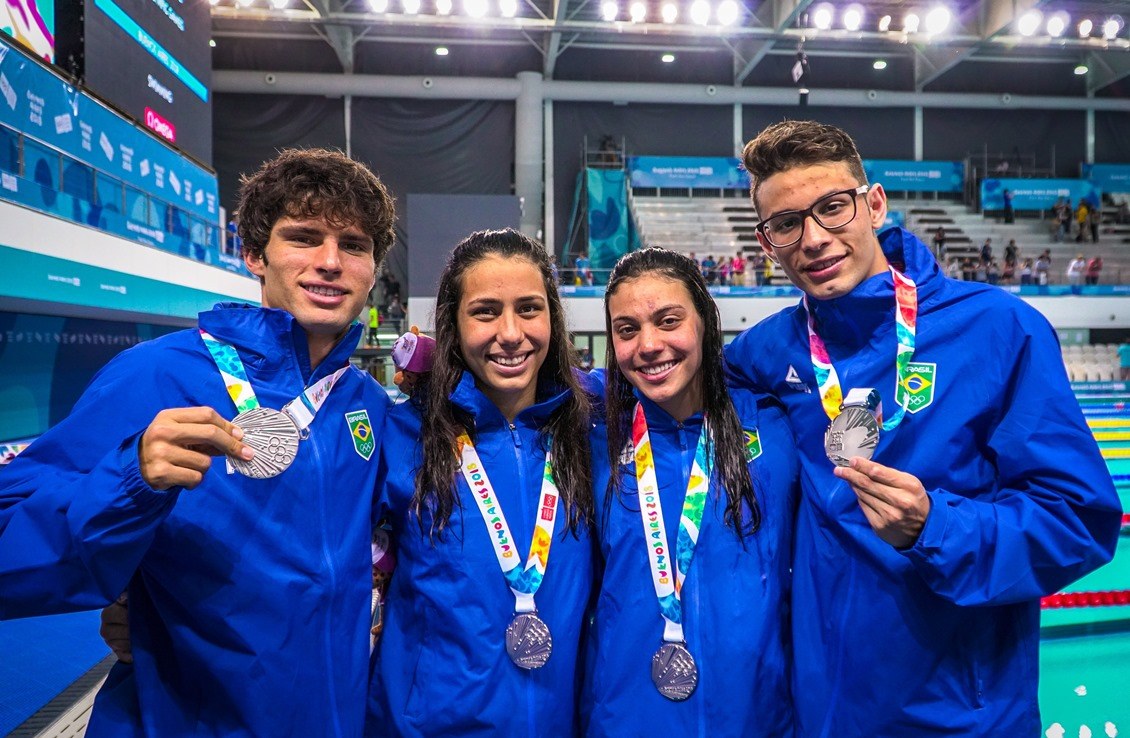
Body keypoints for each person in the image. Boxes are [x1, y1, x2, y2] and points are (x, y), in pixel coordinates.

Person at [725, 120, 1121, 736]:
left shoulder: (998, 330)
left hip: (964, 718)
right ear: (766, 240)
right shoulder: (766, 353)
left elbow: (1079, 520)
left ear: (873, 203)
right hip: (827, 715)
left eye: (832, 208)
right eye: (786, 224)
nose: (814, 238)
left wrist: (938, 528)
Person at [0, 148, 398, 736]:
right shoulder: (156, 376)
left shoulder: (367, 404)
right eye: (304, 238)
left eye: (354, 246)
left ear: (373, 267)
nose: (330, 262)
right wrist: (129, 481)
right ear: (254, 254)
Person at [366, 229, 598, 737]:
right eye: (486, 311)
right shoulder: (401, 432)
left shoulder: (589, 429)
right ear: (453, 324)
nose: (511, 333)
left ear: (553, 321)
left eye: (530, 309)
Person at [583, 248, 798, 737]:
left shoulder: (775, 427)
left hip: (755, 718)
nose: (649, 344)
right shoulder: (594, 440)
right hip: (629, 718)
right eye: (627, 329)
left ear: (704, 321)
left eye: (668, 320)